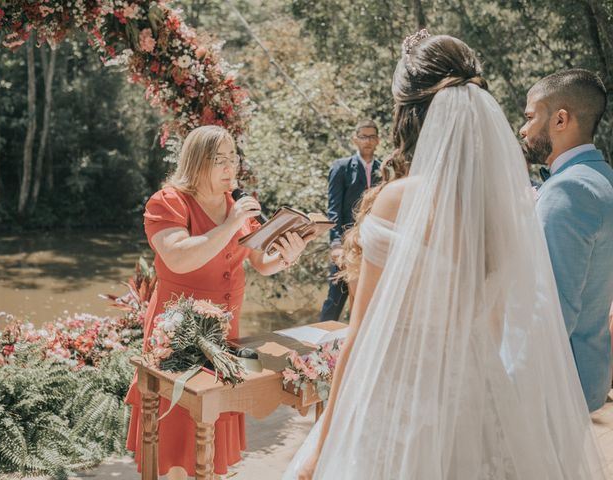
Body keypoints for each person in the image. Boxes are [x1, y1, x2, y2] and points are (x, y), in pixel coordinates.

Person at [285, 32, 608, 480]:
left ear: (412, 114)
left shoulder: (398, 200)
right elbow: (496, 324)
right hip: (478, 394)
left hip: (397, 402)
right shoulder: (502, 209)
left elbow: (361, 334)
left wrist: (321, 444)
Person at [125, 125, 310, 480]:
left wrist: (289, 255)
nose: (230, 168)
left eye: (233, 159)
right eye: (219, 160)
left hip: (226, 336)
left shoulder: (236, 206)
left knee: (212, 425)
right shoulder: (169, 201)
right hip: (177, 336)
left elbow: (261, 263)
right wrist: (232, 222)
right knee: (178, 430)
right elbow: (178, 257)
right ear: (196, 163)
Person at [520, 69, 613, 412]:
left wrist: (504, 379)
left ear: (560, 119)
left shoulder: (568, 190)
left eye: (530, 117)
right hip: (587, 373)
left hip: (555, 388)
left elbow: (552, 310)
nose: (523, 128)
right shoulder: (601, 176)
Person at [320, 119, 382, 321]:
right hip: (347, 243)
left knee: (372, 299)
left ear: (378, 140)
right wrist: (336, 244)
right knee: (335, 299)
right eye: (363, 136)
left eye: (372, 136)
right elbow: (334, 209)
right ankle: (319, 349)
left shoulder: (384, 170)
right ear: (355, 139)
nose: (368, 141)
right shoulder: (341, 167)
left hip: (375, 243)